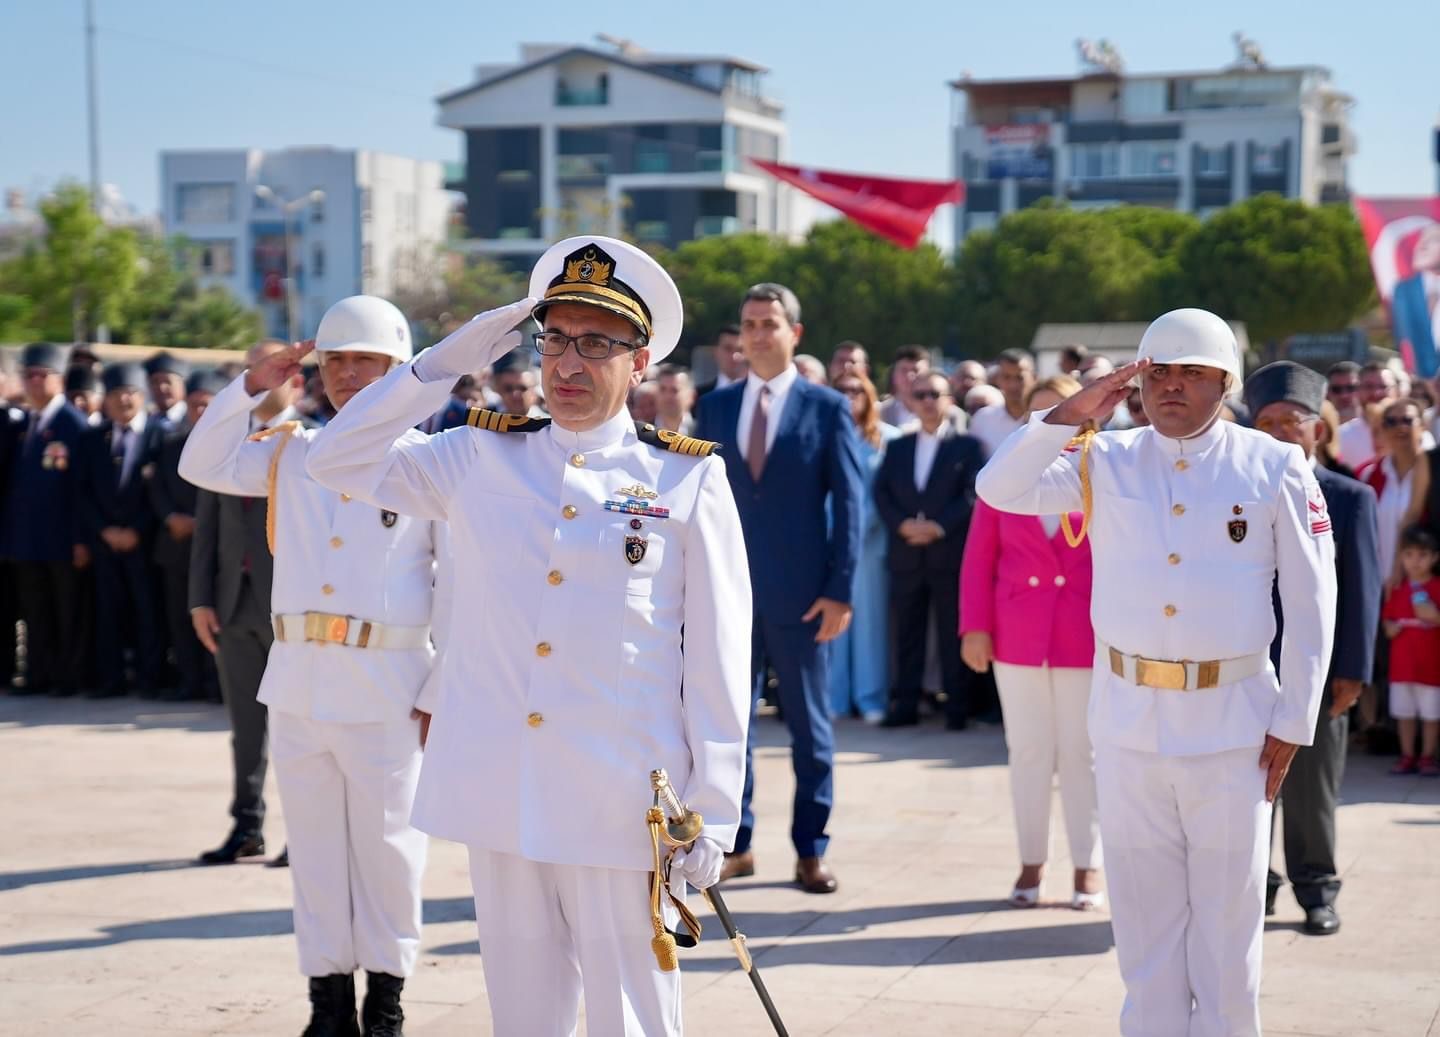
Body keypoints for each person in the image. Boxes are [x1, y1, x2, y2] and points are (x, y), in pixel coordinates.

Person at [305, 236, 751, 1036]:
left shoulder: (685, 479)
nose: (567, 365)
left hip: (622, 802)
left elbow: (718, 659)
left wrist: (714, 814)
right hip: (501, 793)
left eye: (595, 344)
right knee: (524, 1019)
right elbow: (335, 457)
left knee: (635, 1019)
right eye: (554, 340)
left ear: (640, 359)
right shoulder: (477, 454)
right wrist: (439, 362)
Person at [977, 308, 1336, 1037]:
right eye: (1158, 372)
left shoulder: (1274, 465)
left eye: (1192, 373)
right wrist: (1073, 411)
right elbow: (998, 488)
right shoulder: (1103, 457)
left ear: (1225, 383)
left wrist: (1294, 720)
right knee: (1143, 936)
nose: (1172, 387)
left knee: (1228, 937)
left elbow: (1312, 602)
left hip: (1234, 726)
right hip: (1129, 722)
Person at [180, 298, 439, 1036]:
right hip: (298, 681)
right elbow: (200, 462)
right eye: (337, 362)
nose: (350, 374)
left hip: (391, 683)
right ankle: (327, 1000)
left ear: (399, 370)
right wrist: (252, 385)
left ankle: (385, 999)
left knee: (390, 853)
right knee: (317, 853)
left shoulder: (429, 457)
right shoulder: (290, 450)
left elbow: (457, 582)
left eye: (367, 361)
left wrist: (442, 686)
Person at [694, 281, 864, 895]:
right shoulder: (713, 407)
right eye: (749, 324)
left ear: (795, 333)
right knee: (727, 725)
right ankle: (735, 846)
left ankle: (810, 850)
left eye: (769, 323)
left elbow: (850, 502)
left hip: (805, 596)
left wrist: (841, 587)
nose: (758, 334)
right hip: (727, 598)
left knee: (810, 730)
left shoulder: (826, 407)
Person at [1245, 362, 1381, 936]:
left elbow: (1363, 587)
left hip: (1318, 672)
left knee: (1310, 788)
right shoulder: (1236, 491)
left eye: (1290, 422)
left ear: (1317, 430)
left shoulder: (1347, 497)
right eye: (1265, 422)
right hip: (1245, 668)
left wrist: (1352, 670)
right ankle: (1257, 887)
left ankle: (1316, 890)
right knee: (1247, 790)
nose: (1277, 432)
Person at [960, 373, 1103, 911]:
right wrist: (974, 626)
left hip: (1082, 635)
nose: (1052, 427)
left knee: (1081, 754)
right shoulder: (1002, 476)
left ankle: (1088, 865)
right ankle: (1031, 862)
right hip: (1017, 634)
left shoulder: (1101, 470)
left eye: (1063, 415)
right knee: (1028, 753)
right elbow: (979, 559)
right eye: (1042, 417)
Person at [190, 339, 306, 866]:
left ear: (296, 380)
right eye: (250, 370)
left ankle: (303, 832)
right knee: (245, 730)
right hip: (232, 605)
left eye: (273, 370)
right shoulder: (225, 440)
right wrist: (199, 599)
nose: (260, 378)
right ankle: (247, 826)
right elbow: (207, 528)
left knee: (296, 731)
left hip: (289, 608)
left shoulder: (311, 442)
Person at [873, 371, 984, 729]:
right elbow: (882, 493)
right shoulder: (898, 446)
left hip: (946, 554)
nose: (927, 401)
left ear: (949, 399)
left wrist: (937, 527)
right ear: (911, 401)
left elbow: (971, 494)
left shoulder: (967, 446)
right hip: (906, 554)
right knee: (907, 634)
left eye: (934, 394)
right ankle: (905, 706)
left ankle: (957, 708)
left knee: (952, 634)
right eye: (919, 394)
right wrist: (903, 525)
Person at [2, 344, 91, 697]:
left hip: (62, 538)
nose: (35, 382)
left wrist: (80, 539)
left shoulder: (73, 424)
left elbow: (81, 490)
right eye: (29, 375)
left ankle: (67, 676)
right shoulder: (26, 423)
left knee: (65, 611)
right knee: (35, 610)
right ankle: (39, 674)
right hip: (27, 539)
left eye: (43, 375)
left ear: (60, 380)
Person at [75, 363, 167, 698]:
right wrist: (104, 530)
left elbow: (161, 491)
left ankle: (151, 679)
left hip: (145, 541)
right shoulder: (91, 439)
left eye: (130, 392)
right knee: (107, 611)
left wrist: (136, 530)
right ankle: (110, 679)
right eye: (115, 394)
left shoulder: (161, 436)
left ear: (142, 397)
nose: (123, 400)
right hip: (105, 541)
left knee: (148, 611)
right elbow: (81, 491)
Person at [150, 371, 228, 702]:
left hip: (219, 550)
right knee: (179, 619)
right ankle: (189, 682)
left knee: (216, 619)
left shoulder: (232, 446)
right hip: (177, 546)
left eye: (206, 406)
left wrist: (203, 523)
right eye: (194, 406)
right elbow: (156, 488)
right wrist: (171, 517)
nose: (199, 412)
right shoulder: (170, 446)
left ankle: (216, 684)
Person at [827, 370, 899, 723]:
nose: (849, 394)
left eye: (857, 389)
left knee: (870, 624)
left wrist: (863, 524)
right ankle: (836, 698)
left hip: (872, 544)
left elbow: (890, 493)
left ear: (870, 395)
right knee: (833, 622)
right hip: (829, 541)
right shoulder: (821, 434)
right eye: (842, 389)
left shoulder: (889, 439)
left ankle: (871, 697)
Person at [1383, 526, 1440, 775]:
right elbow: (1387, 620)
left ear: (1434, 557)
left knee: (1431, 715)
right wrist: (1390, 628)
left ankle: (1427, 756)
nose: (1415, 562)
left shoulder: (1437, 586)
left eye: (1422, 555)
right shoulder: (1397, 587)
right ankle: (1407, 755)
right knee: (1404, 713)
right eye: (1409, 555)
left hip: (1431, 665)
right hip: (1402, 665)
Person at [1357, 397, 1432, 585]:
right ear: (1381, 429)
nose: (1400, 427)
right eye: (1390, 421)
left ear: (1422, 426)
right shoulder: (1369, 476)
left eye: (1407, 420)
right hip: (1379, 582)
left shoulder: (1435, 471)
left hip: (1427, 585)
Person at [968, 348, 1035, 456]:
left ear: (1034, 378)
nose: (1013, 385)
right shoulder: (982, 418)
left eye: (1019, 378)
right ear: (997, 379)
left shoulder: (1045, 419)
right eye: (1006, 377)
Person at [878, 344, 929, 429]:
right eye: (903, 370)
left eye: (916, 370)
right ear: (894, 375)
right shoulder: (879, 412)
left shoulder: (949, 414)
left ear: (929, 375)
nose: (909, 376)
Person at [695, 323, 746, 397]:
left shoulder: (759, 396)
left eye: (740, 350)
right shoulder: (698, 396)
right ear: (715, 352)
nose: (734, 355)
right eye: (728, 348)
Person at [144, 352, 191, 426]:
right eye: (155, 382)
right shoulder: (145, 422)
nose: (161, 388)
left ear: (183, 384)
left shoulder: (193, 419)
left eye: (168, 382)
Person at [654, 364, 696, 435]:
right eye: (662, 389)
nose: (668, 396)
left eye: (674, 390)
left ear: (691, 396)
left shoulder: (705, 432)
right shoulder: (641, 434)